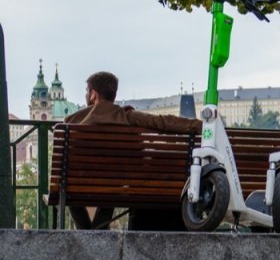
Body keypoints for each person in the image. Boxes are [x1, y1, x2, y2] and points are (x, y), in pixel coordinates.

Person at [64, 71, 201, 230]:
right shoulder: (127, 116)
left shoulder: (73, 121)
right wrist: (197, 125)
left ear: (93, 94)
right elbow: (161, 122)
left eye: (87, 91)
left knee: (70, 188)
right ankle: (97, 234)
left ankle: (86, 233)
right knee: (112, 182)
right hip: (120, 184)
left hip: (78, 184)